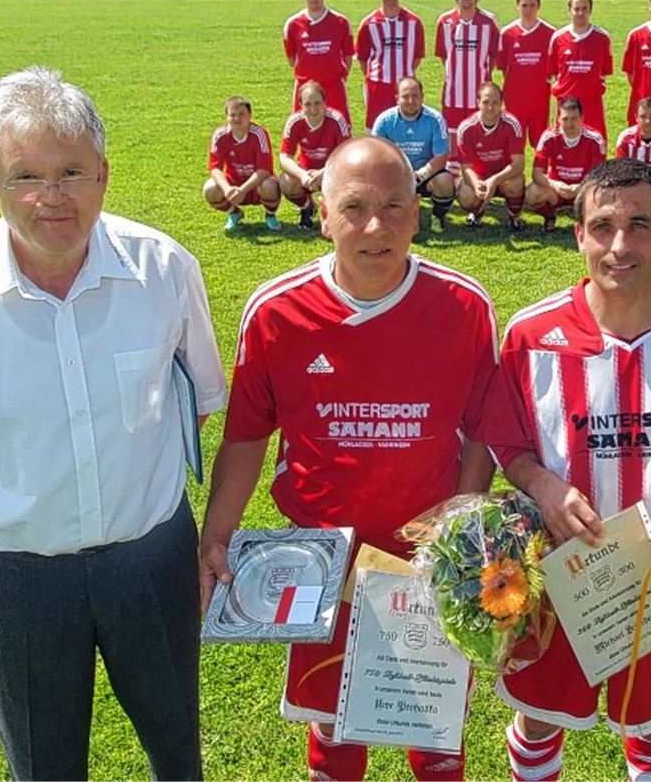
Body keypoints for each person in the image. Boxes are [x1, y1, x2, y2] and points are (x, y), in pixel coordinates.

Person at [0, 66, 227, 780]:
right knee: (45, 767)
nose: (52, 196)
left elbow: (198, 397)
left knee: (178, 755)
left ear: (104, 174)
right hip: (21, 575)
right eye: (26, 176)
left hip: (152, 559)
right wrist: (21, 505)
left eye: (71, 171)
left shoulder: (164, 268)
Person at [199, 135, 498, 782]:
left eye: (394, 207)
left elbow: (481, 433)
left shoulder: (465, 307)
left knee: (435, 731)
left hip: (426, 561)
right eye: (355, 207)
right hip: (324, 560)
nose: (376, 227)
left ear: (417, 216)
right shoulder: (276, 312)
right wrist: (215, 537)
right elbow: (246, 437)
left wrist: (459, 534)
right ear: (324, 216)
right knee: (332, 729)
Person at [484, 157, 651, 782]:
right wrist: (545, 486)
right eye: (602, 227)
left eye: (638, 225)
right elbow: (507, 444)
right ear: (579, 235)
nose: (619, 246)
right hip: (558, 573)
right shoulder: (531, 334)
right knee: (540, 718)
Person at [372, 77, 456, 227]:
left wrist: (419, 176)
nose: (411, 101)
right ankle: (390, 219)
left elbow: (441, 157)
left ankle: (437, 218)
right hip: (395, 176)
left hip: (424, 176)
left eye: (415, 96)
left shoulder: (435, 119)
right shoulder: (384, 121)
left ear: (422, 97)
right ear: (397, 98)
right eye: (405, 96)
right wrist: (398, 175)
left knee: (445, 181)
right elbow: (375, 157)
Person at [435, 0, 501, 168]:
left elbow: (493, 57)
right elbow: (443, 56)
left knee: (479, 134)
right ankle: (454, 173)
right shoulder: (445, 21)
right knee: (453, 136)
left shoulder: (488, 22)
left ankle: (478, 171)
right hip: (453, 91)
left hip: (480, 92)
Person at [356, 0, 426, 132]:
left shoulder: (414, 22)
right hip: (378, 86)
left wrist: (402, 71)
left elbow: (417, 57)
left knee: (406, 128)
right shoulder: (368, 24)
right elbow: (363, 59)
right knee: (376, 129)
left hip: (406, 86)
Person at [279, 80, 352, 230]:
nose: (313, 109)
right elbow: (284, 157)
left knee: (350, 181)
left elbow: (346, 155)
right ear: (300, 105)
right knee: (286, 182)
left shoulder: (337, 120)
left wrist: (324, 172)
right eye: (308, 104)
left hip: (332, 170)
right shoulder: (294, 122)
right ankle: (307, 207)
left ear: (325, 102)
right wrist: (302, 175)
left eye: (317, 103)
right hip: (306, 172)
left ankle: (335, 214)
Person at [526, 97, 606, 231]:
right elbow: (536, 173)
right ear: (558, 119)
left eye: (574, 119)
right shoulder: (549, 137)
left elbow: (598, 175)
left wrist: (580, 187)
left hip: (582, 189)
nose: (569, 124)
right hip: (557, 191)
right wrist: (554, 185)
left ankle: (584, 219)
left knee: (603, 195)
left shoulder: (595, 139)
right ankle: (549, 215)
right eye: (565, 119)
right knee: (532, 193)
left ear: (582, 118)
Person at [456, 82, 527, 231]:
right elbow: (466, 168)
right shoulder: (466, 128)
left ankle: (514, 216)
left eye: (495, 103)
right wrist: (476, 184)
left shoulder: (512, 124)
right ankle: (477, 211)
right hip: (481, 177)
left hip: (505, 177)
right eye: (486, 102)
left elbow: (519, 164)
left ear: (501, 103)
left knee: (516, 182)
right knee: (465, 195)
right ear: (478, 102)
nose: (490, 107)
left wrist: (494, 180)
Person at [283, 0, 354, 123]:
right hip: (305, 87)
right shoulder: (293, 24)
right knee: (303, 128)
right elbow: (291, 58)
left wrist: (338, 75)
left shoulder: (341, 22)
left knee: (340, 127)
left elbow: (348, 55)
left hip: (333, 86)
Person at [205, 96, 281, 232]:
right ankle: (234, 213)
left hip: (257, 184)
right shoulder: (220, 135)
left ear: (249, 115)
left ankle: (270, 215)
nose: (237, 118)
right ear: (227, 117)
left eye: (241, 114)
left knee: (269, 185)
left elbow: (264, 170)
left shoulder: (259, 134)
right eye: (232, 115)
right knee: (210, 188)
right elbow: (215, 168)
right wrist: (227, 189)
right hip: (233, 183)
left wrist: (243, 190)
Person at [548, 0, 614, 139]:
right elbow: (554, 72)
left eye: (584, 9)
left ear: (590, 10)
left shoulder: (602, 38)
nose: (580, 13)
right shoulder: (558, 38)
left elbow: (604, 71)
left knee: (596, 142)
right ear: (569, 10)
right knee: (562, 143)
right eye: (576, 9)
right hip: (565, 103)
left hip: (592, 102)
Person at [497, 0, 555, 150]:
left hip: (539, 100)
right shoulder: (507, 33)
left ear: (539, 6)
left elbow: (553, 70)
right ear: (517, 5)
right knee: (515, 145)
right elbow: (504, 68)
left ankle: (540, 168)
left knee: (541, 144)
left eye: (532, 5)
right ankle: (517, 169)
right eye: (524, 5)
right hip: (515, 100)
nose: (528, 10)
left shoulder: (550, 33)